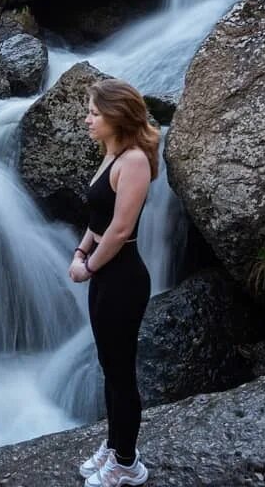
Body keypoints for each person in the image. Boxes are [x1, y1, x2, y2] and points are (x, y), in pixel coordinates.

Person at [68, 78, 157, 487]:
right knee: (109, 367)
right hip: (105, 272)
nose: (87, 119)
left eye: (94, 113)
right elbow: (98, 221)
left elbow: (120, 231)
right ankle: (113, 443)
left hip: (123, 277)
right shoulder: (111, 154)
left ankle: (127, 463)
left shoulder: (134, 161)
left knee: (121, 373)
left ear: (117, 117)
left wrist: (89, 267)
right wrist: (80, 252)